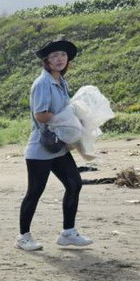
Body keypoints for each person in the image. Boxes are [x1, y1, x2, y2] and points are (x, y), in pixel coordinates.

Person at [17, 39, 91, 251]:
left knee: (74, 183)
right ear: (47, 60)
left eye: (63, 55)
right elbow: (41, 115)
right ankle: (23, 237)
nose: (60, 59)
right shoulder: (42, 83)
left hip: (58, 145)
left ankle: (68, 233)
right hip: (41, 147)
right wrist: (68, 121)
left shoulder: (61, 81)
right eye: (55, 55)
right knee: (35, 192)